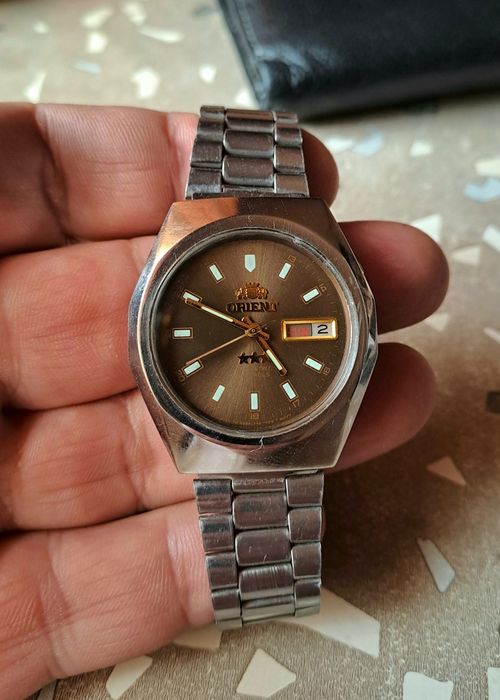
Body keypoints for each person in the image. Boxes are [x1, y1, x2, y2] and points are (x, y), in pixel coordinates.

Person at [0, 104, 448, 700]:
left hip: (300, 411)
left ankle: (271, 593)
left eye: (256, 328)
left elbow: (325, 328)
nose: (255, 333)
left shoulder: (333, 323)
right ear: (142, 337)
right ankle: (269, 594)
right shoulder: (169, 331)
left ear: (359, 307)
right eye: (247, 329)